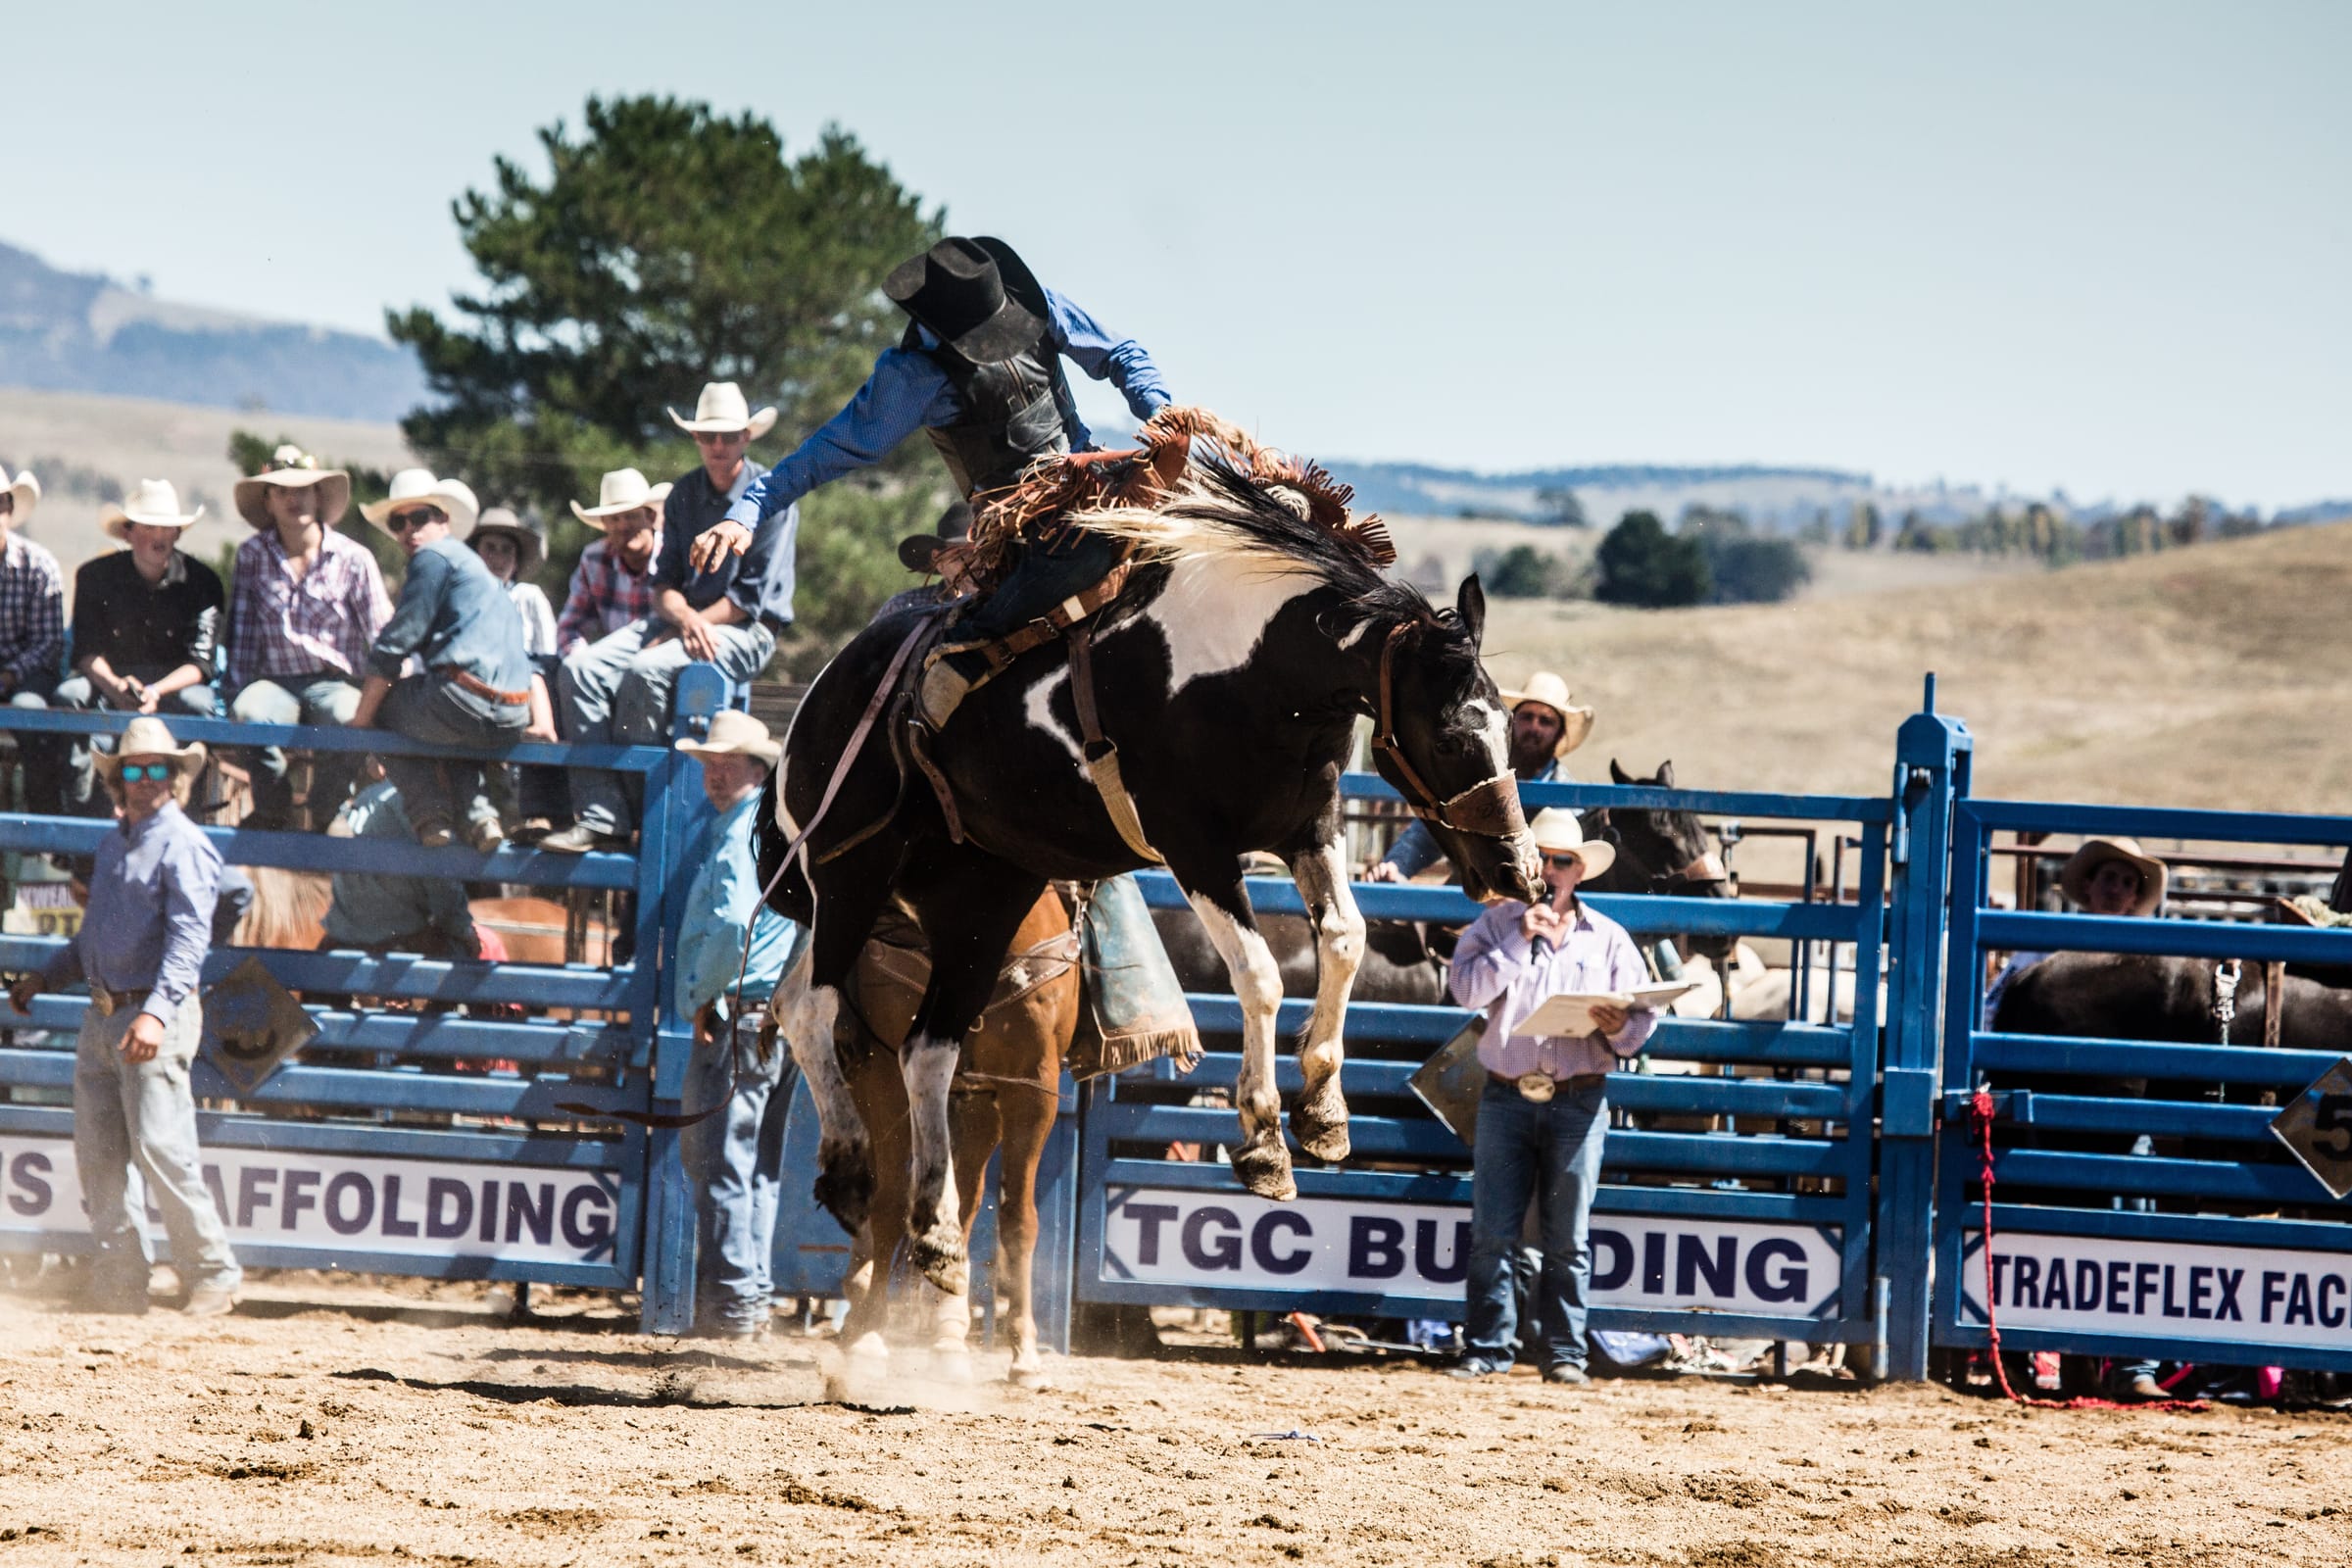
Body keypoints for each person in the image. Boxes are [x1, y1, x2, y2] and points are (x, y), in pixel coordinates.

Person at [687, 237, 1171, 725]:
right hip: (1022, 525)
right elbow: (829, 449)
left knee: (1213, 502)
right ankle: (966, 653)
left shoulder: (1034, 303)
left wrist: (1160, 413)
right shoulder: (915, 373)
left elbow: (1121, 353)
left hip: (1097, 480)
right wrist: (749, 510)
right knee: (1082, 552)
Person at [7, 716, 240, 1315]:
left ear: (175, 777)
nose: (144, 780)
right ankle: (119, 1276)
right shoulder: (115, 844)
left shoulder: (185, 844)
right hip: (106, 1014)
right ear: (118, 780)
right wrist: (47, 975)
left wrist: (158, 1013)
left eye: (157, 769)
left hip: (148, 1017)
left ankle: (213, 1270)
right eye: (133, 770)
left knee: (162, 1147)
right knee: (99, 1153)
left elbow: (189, 942)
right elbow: (94, 935)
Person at [1446, 808, 1656, 1385]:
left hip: (1578, 1097)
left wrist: (1616, 1026)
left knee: (1569, 1239)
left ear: (1578, 871)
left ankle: (1564, 1354)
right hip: (1507, 1094)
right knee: (1493, 1230)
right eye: (1538, 857)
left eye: (1561, 860)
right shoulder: (1494, 925)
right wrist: (1519, 936)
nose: (1548, 869)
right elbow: (1465, 992)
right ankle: (1488, 1348)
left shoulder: (1610, 937)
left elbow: (1644, 1020)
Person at [538, 397, 792, 854]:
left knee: (647, 669)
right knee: (580, 670)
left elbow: (748, 601)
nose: (718, 445)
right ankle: (601, 815)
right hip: (684, 615)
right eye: (708, 436)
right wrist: (682, 619)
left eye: (728, 435)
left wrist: (682, 624)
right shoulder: (683, 495)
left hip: (746, 630)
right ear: (695, 438)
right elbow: (664, 583)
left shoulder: (771, 496)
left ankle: (639, 817)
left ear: (746, 437)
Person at [669, 710, 805, 1338]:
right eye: (709, 764)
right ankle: (747, 1299)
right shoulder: (775, 834)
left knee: (722, 1159)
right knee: (756, 1164)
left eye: (727, 764)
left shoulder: (736, 837)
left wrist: (703, 994)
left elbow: (728, 925)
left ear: (758, 769)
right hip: (770, 1017)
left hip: (736, 1015)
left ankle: (730, 1304)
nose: (714, 774)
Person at [350, 470, 533, 851]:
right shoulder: (475, 569)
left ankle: (430, 816)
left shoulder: (432, 557)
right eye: (398, 522)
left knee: (388, 708)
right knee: (444, 720)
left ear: (443, 520)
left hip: (465, 699)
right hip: (513, 715)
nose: (408, 531)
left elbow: (393, 644)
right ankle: (481, 818)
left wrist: (361, 722)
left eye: (420, 518)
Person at [226, 446, 393, 829]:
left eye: (302, 489)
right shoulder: (252, 556)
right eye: (282, 490)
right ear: (268, 501)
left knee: (351, 717)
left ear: (318, 497)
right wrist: (232, 702)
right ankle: (273, 805)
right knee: (249, 713)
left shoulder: (353, 558)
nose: (293, 498)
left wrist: (383, 705)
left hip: (335, 681)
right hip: (275, 682)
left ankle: (326, 808)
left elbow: (383, 638)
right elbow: (242, 637)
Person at [41, 480, 224, 817]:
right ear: (128, 533)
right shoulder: (95, 576)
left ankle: (189, 815)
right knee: (69, 696)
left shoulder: (203, 582)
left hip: (173, 687)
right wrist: (114, 686)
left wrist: (156, 690)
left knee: (202, 705)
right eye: (148, 526)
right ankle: (83, 815)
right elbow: (86, 650)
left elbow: (201, 663)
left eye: (167, 528)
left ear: (178, 534)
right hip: (108, 680)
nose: (159, 536)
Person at [1370, 671, 1594, 883]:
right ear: (1512, 722)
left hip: (1536, 904)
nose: (1534, 727)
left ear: (1560, 733)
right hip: (1471, 897)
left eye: (1546, 721)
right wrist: (1396, 866)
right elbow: (1431, 832)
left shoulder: (1569, 799)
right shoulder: (1481, 779)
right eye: (1527, 717)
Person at [319, 761, 480, 958]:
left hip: (344, 936)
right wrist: (464, 930)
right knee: (466, 955)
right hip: (396, 939)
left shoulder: (369, 795)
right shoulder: (425, 810)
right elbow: (441, 886)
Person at [469, 508, 564, 835]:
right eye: (489, 548)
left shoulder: (528, 598)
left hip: (523, 690)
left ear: (517, 559)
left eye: (506, 550)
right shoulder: (464, 598)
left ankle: (530, 812)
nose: (497, 558)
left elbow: (547, 655)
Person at [0, 464, 68, 805]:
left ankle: (43, 826)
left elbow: (49, 643)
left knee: (31, 713)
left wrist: (10, 676)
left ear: (10, 511)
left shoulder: (39, 565)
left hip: (27, 677)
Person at [553, 487, 663, 658]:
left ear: (651, 517)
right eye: (614, 519)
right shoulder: (594, 558)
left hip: (662, 661)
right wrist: (582, 662)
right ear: (605, 524)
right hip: (611, 664)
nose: (623, 526)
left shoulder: (672, 554)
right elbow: (571, 625)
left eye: (631, 516)